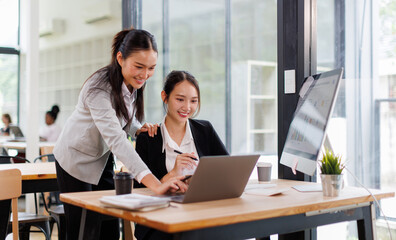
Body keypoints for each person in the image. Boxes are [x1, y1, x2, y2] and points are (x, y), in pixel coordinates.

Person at [53, 28, 187, 240]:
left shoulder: (131, 82)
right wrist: (156, 184)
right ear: (120, 58)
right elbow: (116, 138)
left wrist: (137, 128)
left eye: (151, 68)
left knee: (110, 224)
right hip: (75, 160)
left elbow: (123, 115)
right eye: (139, 67)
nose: (145, 75)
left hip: (101, 159)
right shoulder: (97, 88)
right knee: (84, 230)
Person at [134, 70, 229, 240]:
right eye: (179, 99)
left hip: (202, 214)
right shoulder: (148, 138)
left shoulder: (205, 130)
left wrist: (199, 180)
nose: (187, 107)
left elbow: (228, 171)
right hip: (160, 220)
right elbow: (139, 193)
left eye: (193, 101)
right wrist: (172, 175)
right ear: (165, 97)